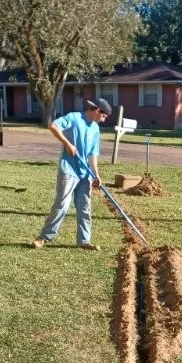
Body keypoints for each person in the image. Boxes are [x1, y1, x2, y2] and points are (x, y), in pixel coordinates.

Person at [32, 97, 112, 250]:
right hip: (68, 170)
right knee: (62, 205)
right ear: (97, 110)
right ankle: (44, 237)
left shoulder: (95, 129)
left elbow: (93, 154)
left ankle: (84, 241)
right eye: (103, 116)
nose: (103, 120)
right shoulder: (74, 118)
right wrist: (67, 144)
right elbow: (53, 126)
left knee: (84, 207)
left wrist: (96, 174)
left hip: (85, 174)